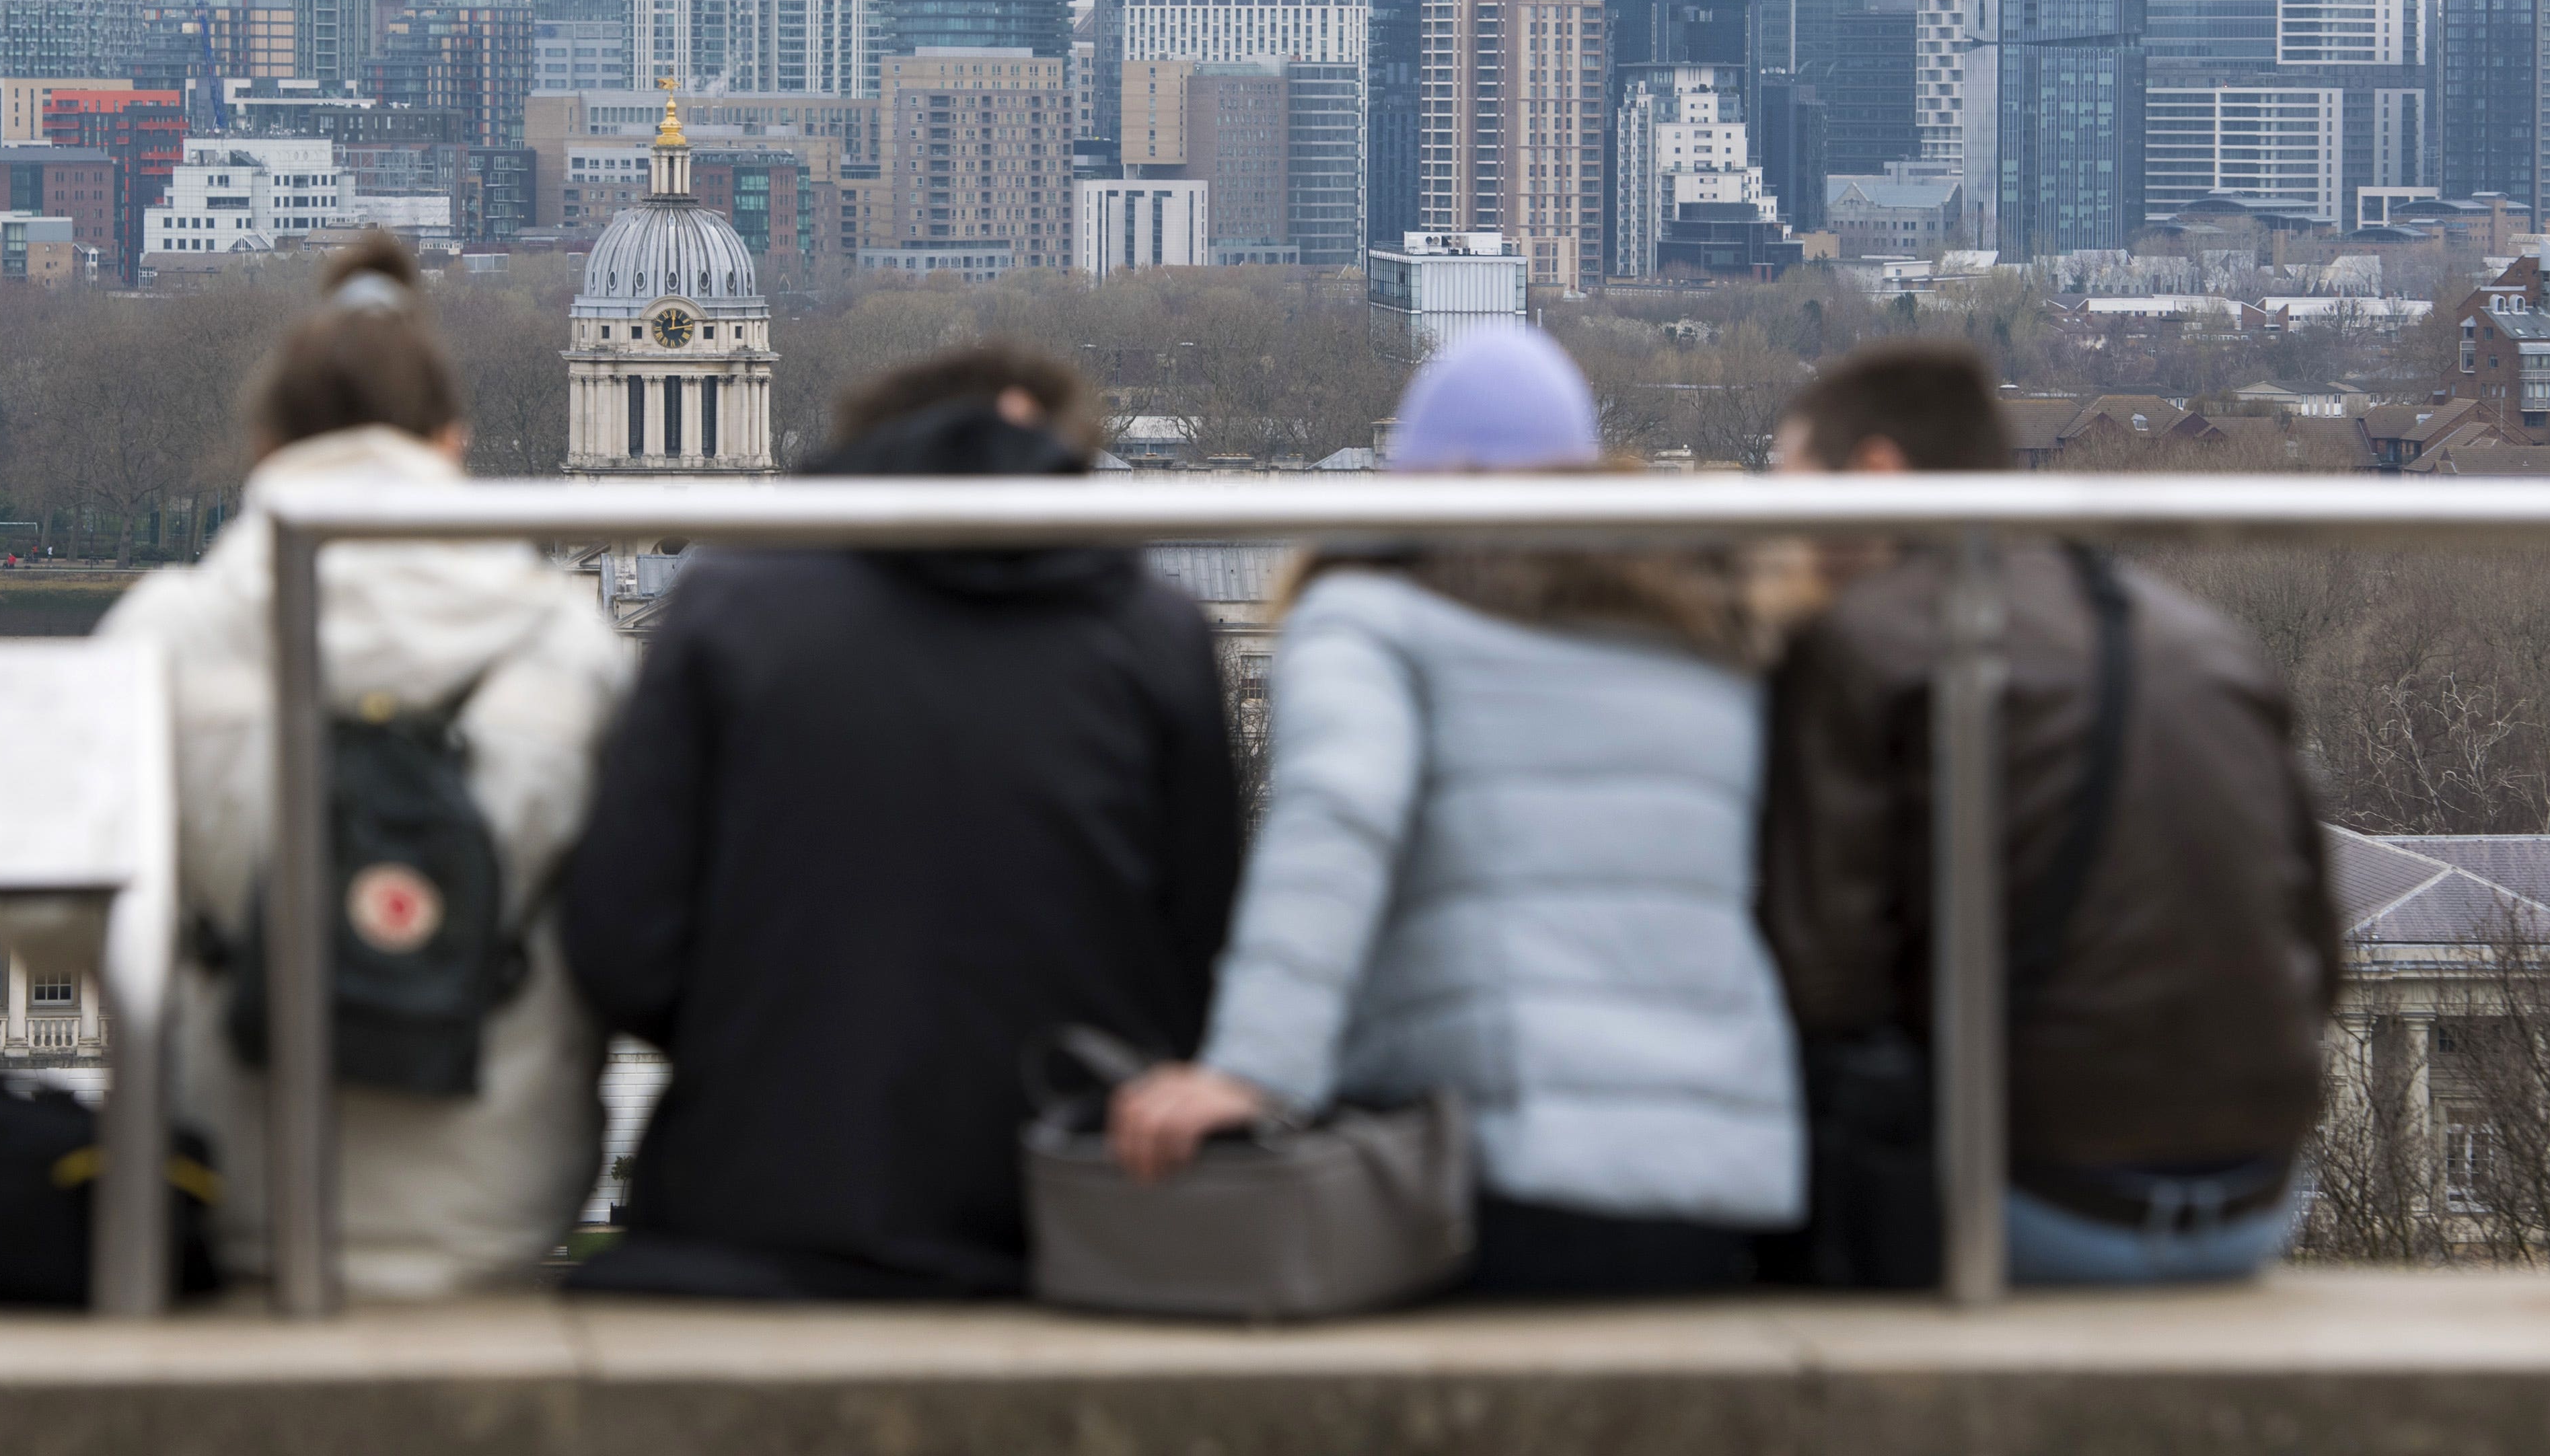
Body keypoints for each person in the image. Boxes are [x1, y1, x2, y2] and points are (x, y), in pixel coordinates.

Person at [1111, 327, 1807, 1297]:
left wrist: (1255, 1068)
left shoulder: (1370, 618)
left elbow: (1337, 821)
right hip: (1718, 1187)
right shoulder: (1705, 637)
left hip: (1488, 1175)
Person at [558, 342, 1241, 1298]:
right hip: (1062, 1212)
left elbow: (621, 944)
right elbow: (1203, 957)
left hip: (763, 1207)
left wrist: (764, 1041)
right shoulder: (1160, 638)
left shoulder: (726, 611)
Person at [98, 233, 630, 1297]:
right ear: (452, 440)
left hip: (237, 1190)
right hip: (502, 1203)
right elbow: (637, 932)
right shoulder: (571, 643)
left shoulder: (166, 631)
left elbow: (47, 920)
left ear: (264, 443)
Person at [1761, 338, 2339, 1285]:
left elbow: (1824, 983)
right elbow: (2319, 946)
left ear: (1873, 473)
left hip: (2042, 1206)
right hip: (2257, 1198)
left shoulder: (1865, 641)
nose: (1778, 531)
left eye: (1789, 484)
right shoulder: (2201, 638)